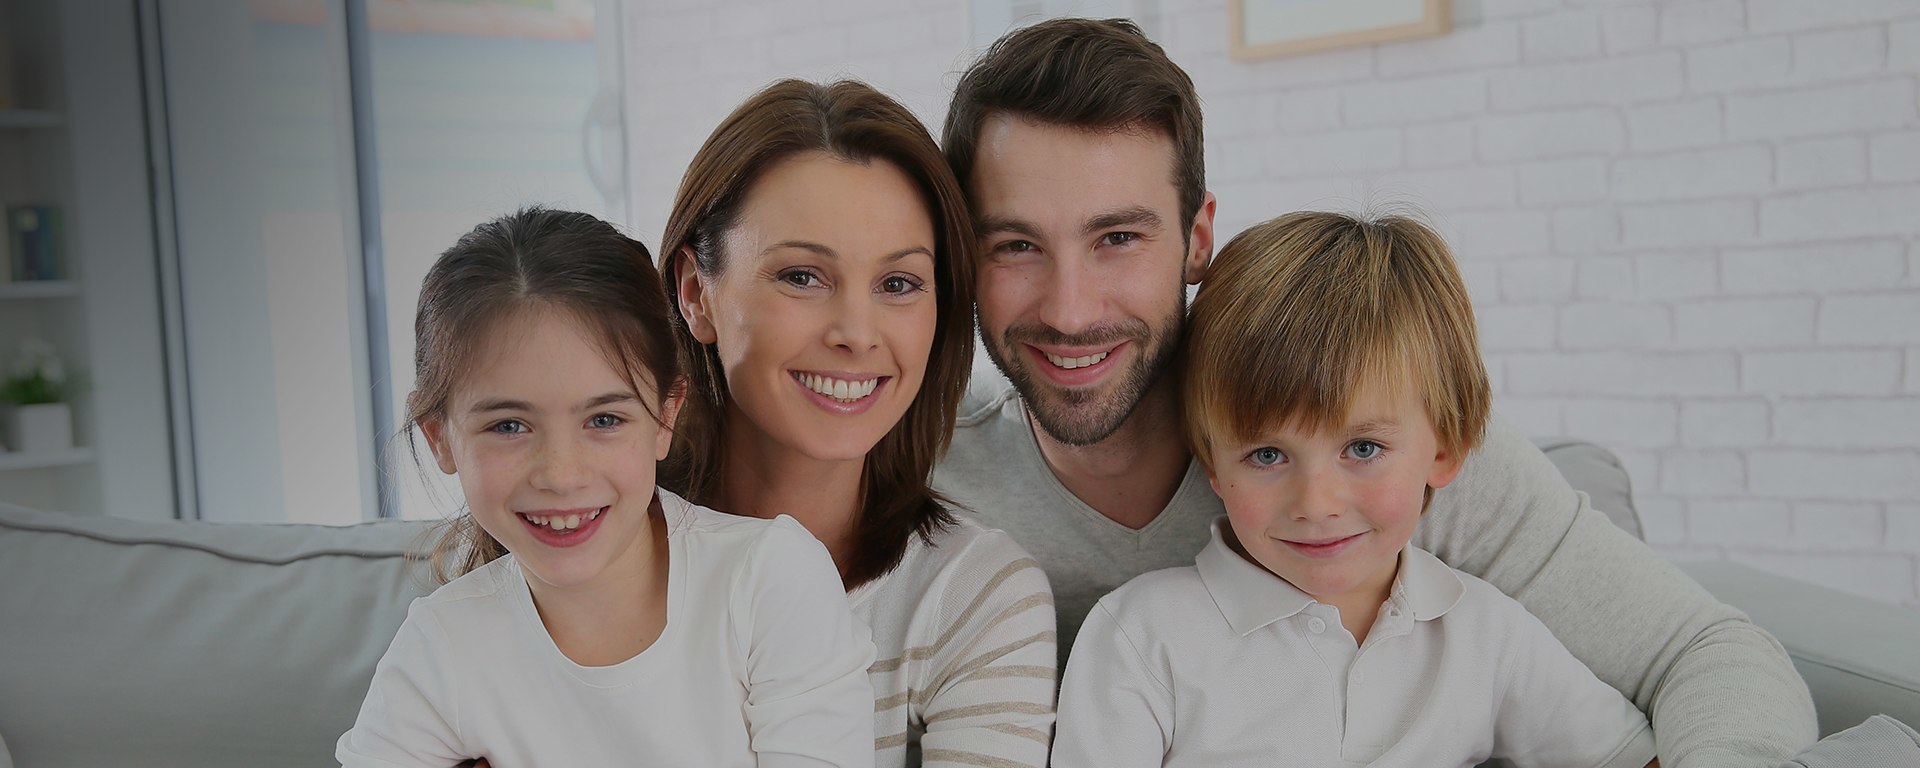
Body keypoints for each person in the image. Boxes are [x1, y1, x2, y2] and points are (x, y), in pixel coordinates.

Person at [932, 16, 1818, 765]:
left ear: (1199, 236)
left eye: (1119, 236)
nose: (1070, 308)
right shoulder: (918, 476)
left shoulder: (1389, 440)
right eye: (1014, 245)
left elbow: (1707, 652)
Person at [1053, 211, 1659, 767]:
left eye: (1363, 449)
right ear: (1213, 464)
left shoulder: (1485, 633)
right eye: (1267, 455)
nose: (1316, 504)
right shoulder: (1141, 635)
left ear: (1444, 450)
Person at [336, 208, 876, 768]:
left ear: (665, 417)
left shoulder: (769, 583)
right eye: (509, 427)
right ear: (440, 439)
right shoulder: (442, 648)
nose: (561, 474)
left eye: (604, 420)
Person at [658, 80, 1056, 768]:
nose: (855, 333)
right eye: (803, 277)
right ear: (697, 294)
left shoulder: (973, 596)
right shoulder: (575, 540)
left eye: (898, 284)